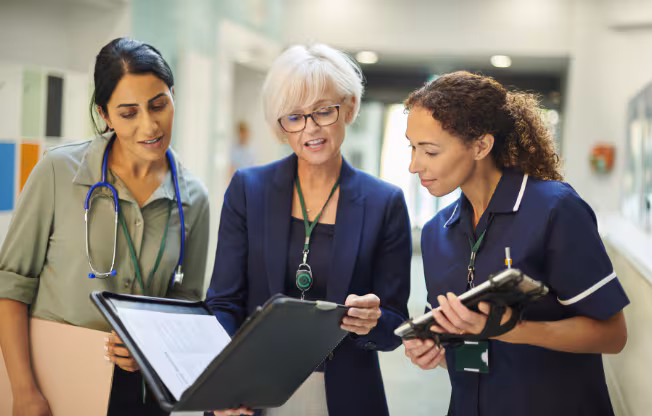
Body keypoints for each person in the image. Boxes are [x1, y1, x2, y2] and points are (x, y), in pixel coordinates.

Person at [0, 38, 210, 416]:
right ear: (105, 115)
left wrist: (149, 344)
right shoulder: (57, 172)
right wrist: (24, 391)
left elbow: (187, 305)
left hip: (145, 393)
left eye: (159, 104)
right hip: (58, 387)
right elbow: (11, 286)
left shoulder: (194, 198)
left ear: (173, 96)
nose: (150, 125)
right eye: (128, 113)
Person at [402, 71, 629, 416]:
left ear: (481, 145)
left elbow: (613, 335)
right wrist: (437, 352)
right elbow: (469, 350)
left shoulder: (555, 210)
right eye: (412, 148)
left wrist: (514, 330)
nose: (414, 165)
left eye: (430, 151)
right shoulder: (437, 231)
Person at [207, 44, 412, 416]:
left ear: (348, 107)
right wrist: (225, 382)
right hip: (253, 393)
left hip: (345, 394)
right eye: (294, 117)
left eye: (323, 111)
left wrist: (373, 320)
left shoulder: (385, 202)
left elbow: (396, 321)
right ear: (279, 125)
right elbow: (223, 302)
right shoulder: (248, 189)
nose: (311, 129)